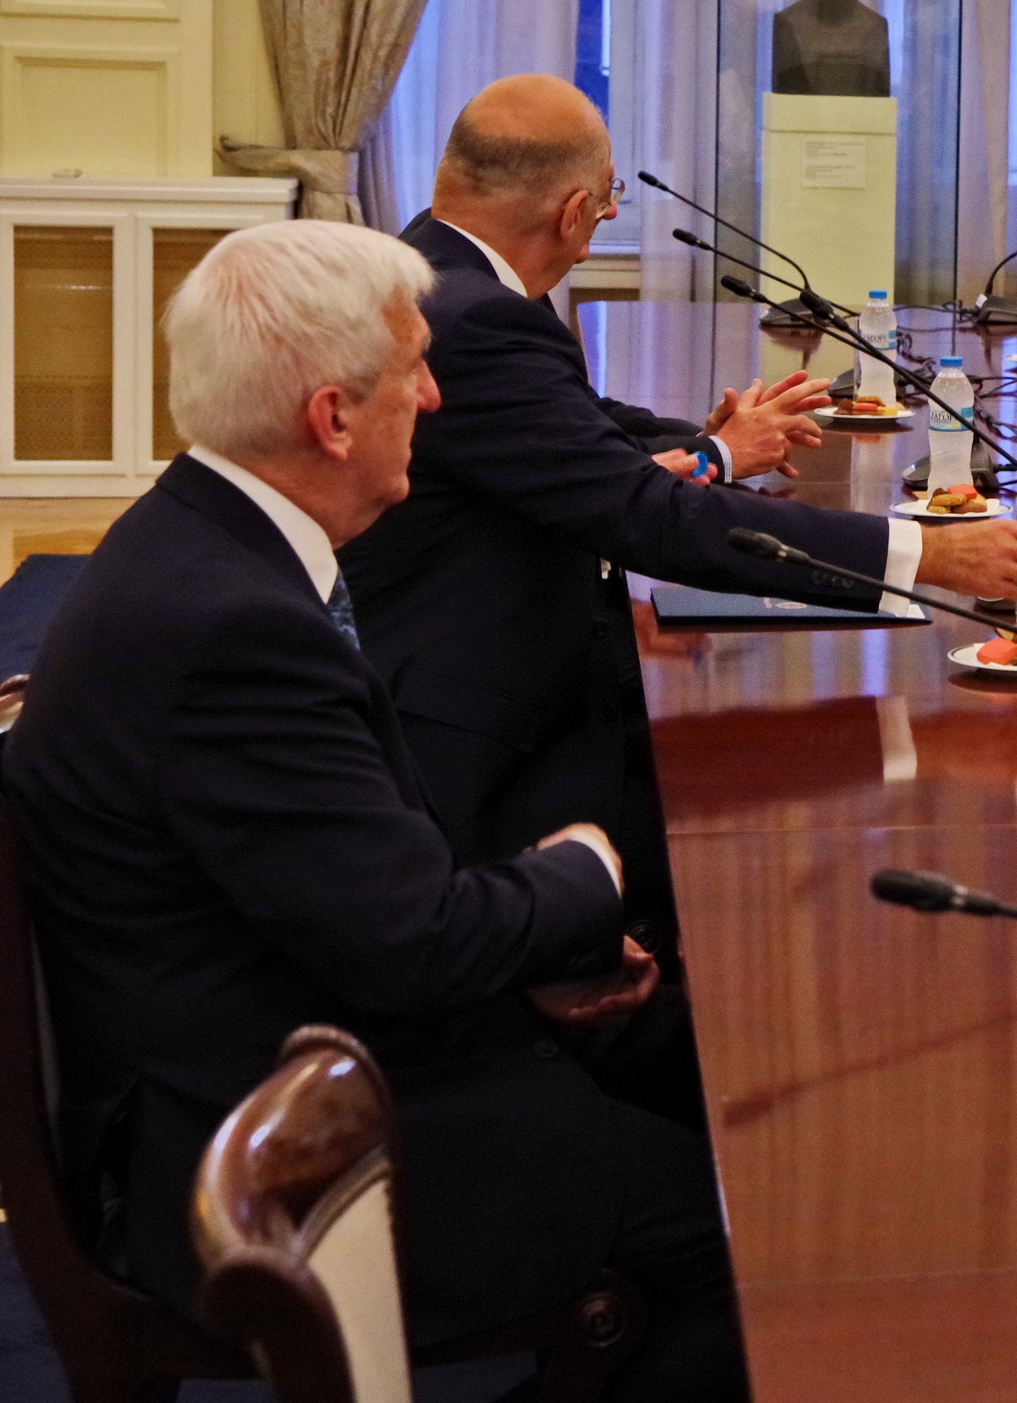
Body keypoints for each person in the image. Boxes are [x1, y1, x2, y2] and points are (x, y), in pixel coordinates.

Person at [5, 220, 750, 1397]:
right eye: (414, 370)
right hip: (270, 1150)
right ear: (334, 417)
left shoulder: (204, 538)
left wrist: (535, 944)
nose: (436, 398)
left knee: (708, 1066)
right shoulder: (232, 629)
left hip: (275, 1027)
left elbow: (355, 897)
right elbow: (413, 943)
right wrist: (587, 869)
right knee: (742, 1233)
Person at [347, 75, 1017, 911]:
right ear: (574, 211)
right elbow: (647, 518)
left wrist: (708, 446)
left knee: (751, 751)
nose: (604, 221)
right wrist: (929, 554)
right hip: (481, 739)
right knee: (744, 814)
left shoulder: (436, 271)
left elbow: (576, 422)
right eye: (609, 203)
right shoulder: (479, 316)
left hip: (474, 668)